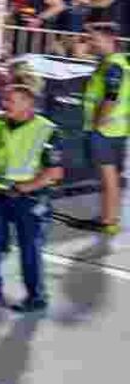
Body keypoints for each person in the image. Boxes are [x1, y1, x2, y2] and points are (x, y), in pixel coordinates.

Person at [0, 85, 64, 312]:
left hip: (29, 197)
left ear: (27, 104)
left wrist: (27, 187)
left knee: (29, 247)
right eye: (4, 100)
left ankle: (36, 297)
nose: (5, 105)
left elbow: (55, 173)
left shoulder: (47, 130)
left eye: (10, 101)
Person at [81, 22, 126, 239]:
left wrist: (98, 123)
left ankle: (108, 221)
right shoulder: (114, 63)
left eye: (94, 39)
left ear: (109, 40)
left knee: (108, 178)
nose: (91, 43)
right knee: (113, 178)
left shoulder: (113, 66)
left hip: (106, 131)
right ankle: (110, 219)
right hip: (116, 129)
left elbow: (111, 96)